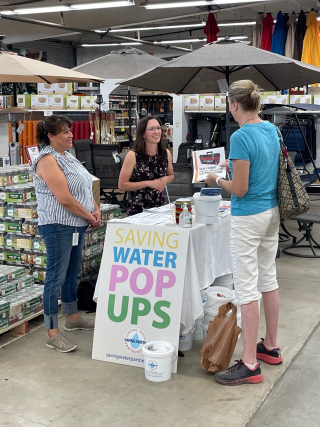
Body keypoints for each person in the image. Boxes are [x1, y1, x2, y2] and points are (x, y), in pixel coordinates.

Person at [205, 80, 282, 386]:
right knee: (269, 279)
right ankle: (270, 346)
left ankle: (249, 362)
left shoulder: (240, 135)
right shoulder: (270, 130)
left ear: (234, 104)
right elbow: (264, 169)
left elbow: (239, 188)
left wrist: (216, 179)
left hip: (248, 216)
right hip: (271, 212)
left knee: (247, 288)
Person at [31, 115, 100, 353]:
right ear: (51, 136)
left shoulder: (68, 157)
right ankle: (52, 332)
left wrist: (95, 208)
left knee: (73, 272)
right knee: (56, 277)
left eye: (70, 130)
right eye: (65, 132)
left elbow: (85, 184)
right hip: (58, 225)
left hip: (77, 224)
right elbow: (64, 198)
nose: (71, 135)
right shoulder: (47, 160)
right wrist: (89, 215)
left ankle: (72, 318)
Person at [118, 116, 174, 216]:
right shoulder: (133, 155)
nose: (156, 132)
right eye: (151, 129)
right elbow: (122, 185)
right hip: (138, 210)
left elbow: (171, 176)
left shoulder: (166, 153)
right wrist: (148, 183)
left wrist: (164, 180)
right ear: (143, 134)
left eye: (158, 128)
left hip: (160, 208)